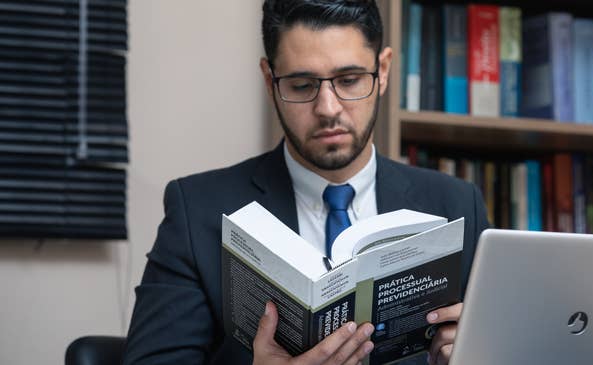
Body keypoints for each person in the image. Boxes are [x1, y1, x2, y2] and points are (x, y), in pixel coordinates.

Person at [123, 1, 488, 364]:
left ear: (384, 70)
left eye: (348, 81)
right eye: (301, 85)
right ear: (270, 81)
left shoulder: (456, 205)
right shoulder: (198, 210)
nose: (328, 108)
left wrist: (476, 355)